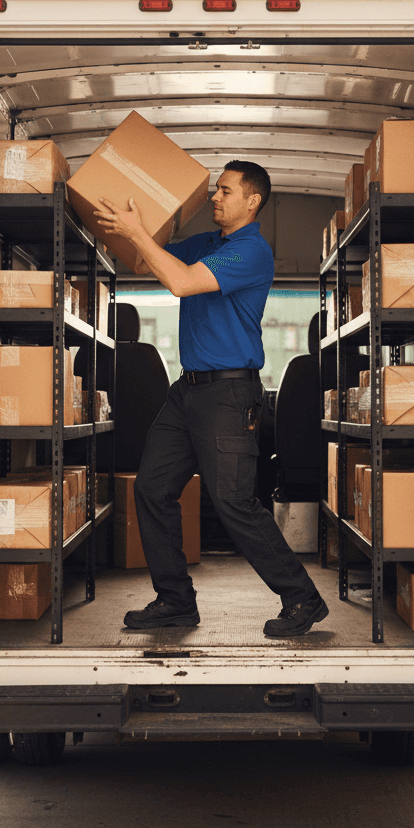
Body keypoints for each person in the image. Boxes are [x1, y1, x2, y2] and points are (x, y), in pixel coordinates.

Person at [94, 161, 328, 638]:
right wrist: (129, 223)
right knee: (151, 487)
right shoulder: (207, 245)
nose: (215, 197)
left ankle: (302, 597)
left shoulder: (252, 252)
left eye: (225, 190)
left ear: (252, 200)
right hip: (188, 392)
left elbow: (180, 283)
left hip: (228, 392)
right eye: (215, 189)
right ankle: (176, 601)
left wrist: (140, 234)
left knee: (234, 501)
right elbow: (146, 261)